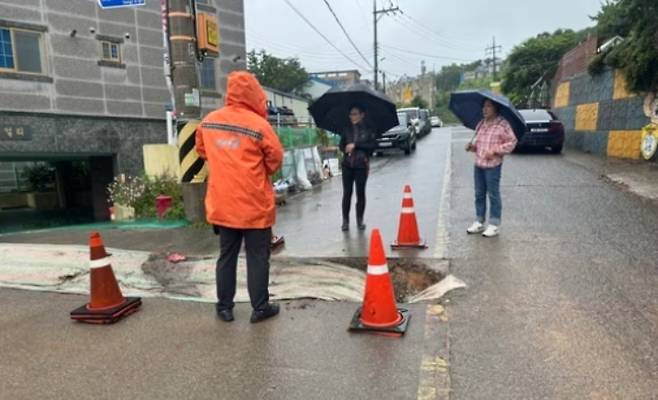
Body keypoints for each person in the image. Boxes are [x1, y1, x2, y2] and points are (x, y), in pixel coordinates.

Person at [196, 71, 284, 323]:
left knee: (227, 256)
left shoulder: (210, 121)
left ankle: (224, 307)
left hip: (222, 204)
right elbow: (275, 158)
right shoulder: (259, 125)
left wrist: (222, 161)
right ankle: (260, 307)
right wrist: (260, 170)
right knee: (257, 257)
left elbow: (201, 149)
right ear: (255, 95)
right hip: (254, 204)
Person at [465, 99, 518, 237]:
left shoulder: (503, 125)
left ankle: (494, 224)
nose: (485, 109)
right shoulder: (481, 124)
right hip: (479, 165)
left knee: (493, 194)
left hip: (493, 166)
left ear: (496, 108)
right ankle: (479, 221)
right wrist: (472, 147)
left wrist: (495, 151)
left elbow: (512, 142)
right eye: (484, 106)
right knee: (479, 194)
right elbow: (480, 145)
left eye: (488, 106)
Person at [339, 104, 377, 232]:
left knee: (360, 193)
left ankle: (359, 220)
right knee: (347, 193)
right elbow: (341, 145)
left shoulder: (368, 129)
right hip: (347, 165)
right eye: (351, 114)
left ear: (362, 115)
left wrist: (356, 145)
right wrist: (346, 148)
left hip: (361, 165)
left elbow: (372, 146)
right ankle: (345, 221)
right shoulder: (346, 129)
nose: (352, 117)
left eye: (355, 114)